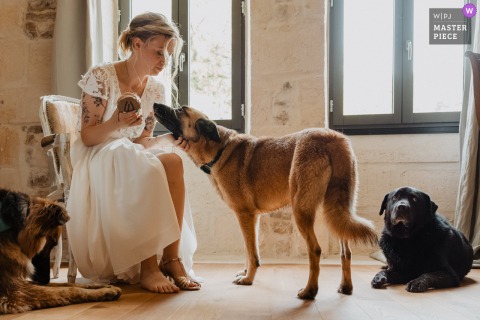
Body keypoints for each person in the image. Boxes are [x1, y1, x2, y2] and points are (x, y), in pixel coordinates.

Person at [66, 12, 201, 293]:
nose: (164, 61)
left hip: (130, 155)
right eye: (159, 52)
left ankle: (171, 258)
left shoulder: (155, 88)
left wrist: (170, 142)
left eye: (169, 55)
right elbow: (88, 137)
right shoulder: (101, 76)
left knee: (172, 162)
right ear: (137, 45)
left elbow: (142, 142)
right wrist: (115, 122)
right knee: (135, 160)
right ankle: (147, 266)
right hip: (98, 156)